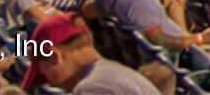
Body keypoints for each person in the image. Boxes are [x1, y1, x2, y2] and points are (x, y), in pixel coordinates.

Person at [24, 12, 163, 94]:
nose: (52, 84)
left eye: (45, 75)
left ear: (55, 57)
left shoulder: (92, 87)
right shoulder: (112, 73)